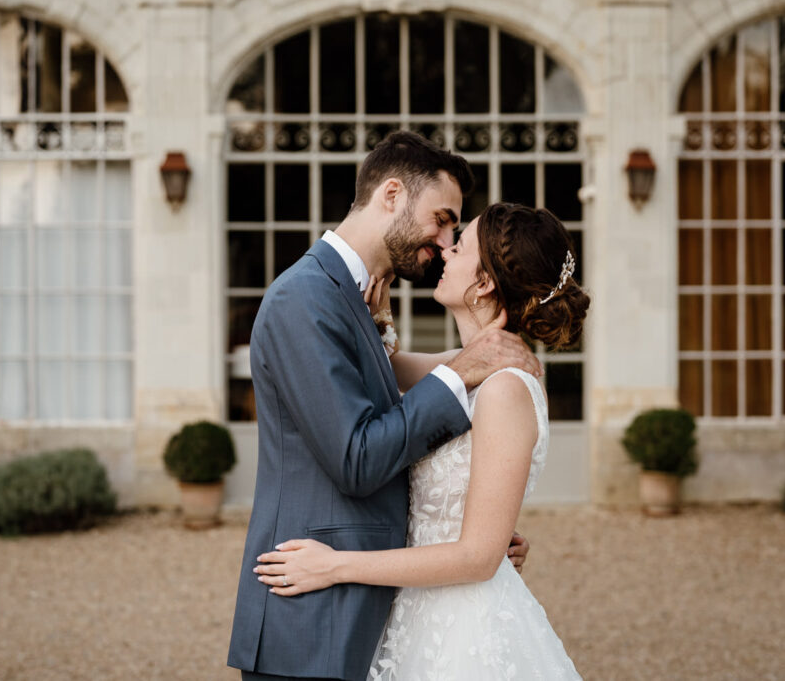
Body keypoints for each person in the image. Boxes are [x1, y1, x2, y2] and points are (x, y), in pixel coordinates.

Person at [227, 131, 541, 681]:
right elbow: (357, 458)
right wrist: (463, 368)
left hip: (373, 614)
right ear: (392, 195)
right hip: (312, 618)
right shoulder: (305, 298)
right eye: (442, 218)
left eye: (455, 231)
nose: (446, 241)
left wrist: (471, 537)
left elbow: (394, 425)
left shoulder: (352, 298)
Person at [254, 203, 590, 679]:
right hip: (415, 612)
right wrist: (375, 320)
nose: (445, 249)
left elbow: (476, 557)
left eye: (461, 245)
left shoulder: (505, 388)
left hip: (464, 631)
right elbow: (387, 371)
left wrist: (334, 567)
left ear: (485, 283)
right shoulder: (469, 365)